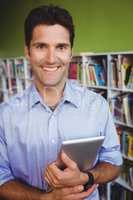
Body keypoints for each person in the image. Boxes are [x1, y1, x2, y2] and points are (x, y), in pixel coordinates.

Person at [0, 4, 122, 200]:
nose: (51, 58)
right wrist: (44, 198)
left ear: (70, 53)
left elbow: (114, 163)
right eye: (41, 46)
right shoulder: (4, 115)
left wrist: (87, 177)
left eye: (61, 47)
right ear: (27, 51)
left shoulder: (97, 105)